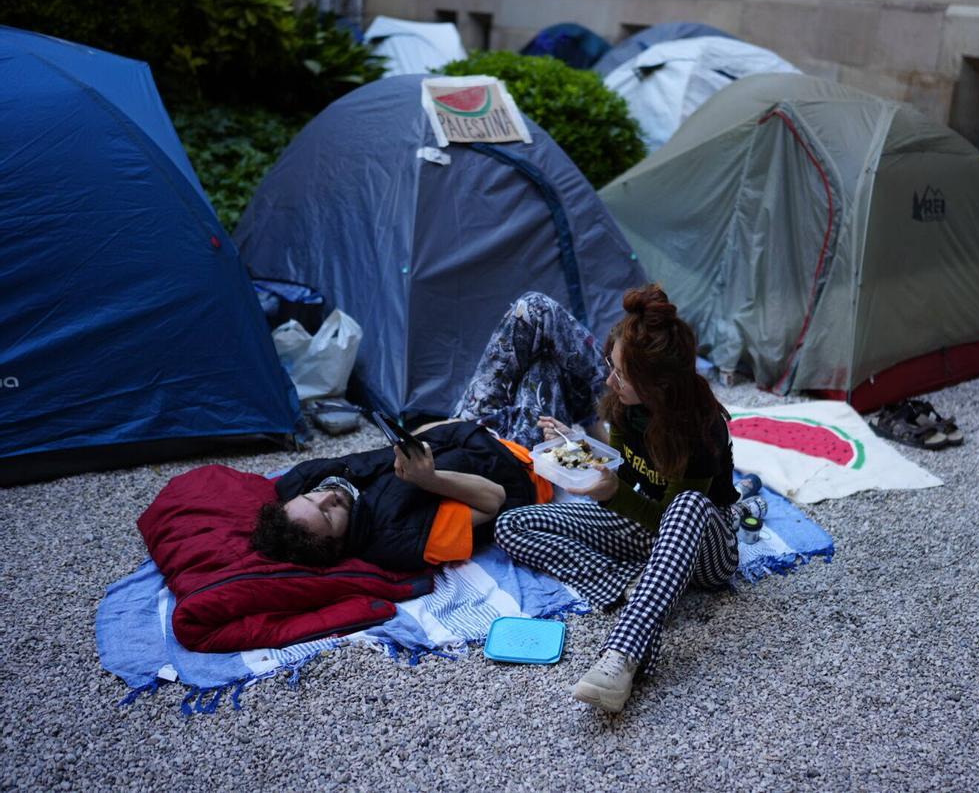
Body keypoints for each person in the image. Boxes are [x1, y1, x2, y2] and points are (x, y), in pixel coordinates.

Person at [495, 284, 762, 714]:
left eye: (622, 374)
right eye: (611, 365)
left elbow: (667, 520)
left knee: (688, 505)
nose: (609, 379)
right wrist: (578, 447)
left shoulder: (701, 428)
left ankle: (622, 656)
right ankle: (626, 586)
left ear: (658, 385)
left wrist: (614, 494)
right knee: (512, 524)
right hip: (647, 534)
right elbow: (620, 472)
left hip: (705, 551)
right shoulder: (623, 406)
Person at [253, 291, 610, 572]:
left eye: (315, 498)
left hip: (466, 427)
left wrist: (443, 427)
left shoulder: (304, 486)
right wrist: (430, 479)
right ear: (337, 543)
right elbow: (494, 499)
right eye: (329, 513)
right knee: (547, 363)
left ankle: (597, 420)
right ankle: (609, 427)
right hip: (516, 461)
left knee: (531, 311)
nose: (329, 497)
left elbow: (400, 447)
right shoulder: (398, 540)